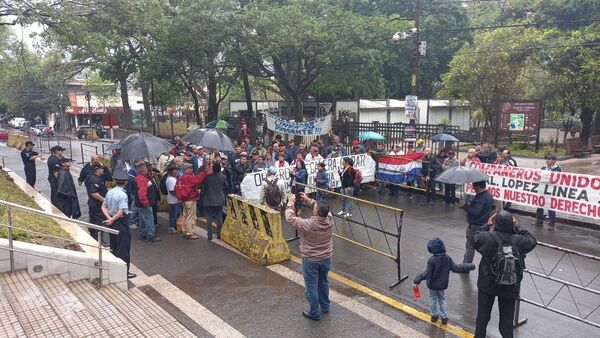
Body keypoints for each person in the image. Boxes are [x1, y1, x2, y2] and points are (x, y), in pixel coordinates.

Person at [473, 210, 537, 338]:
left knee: (483, 317)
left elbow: (475, 238)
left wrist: (487, 224)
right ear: (511, 224)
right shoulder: (519, 240)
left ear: (495, 223)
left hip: (487, 283)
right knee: (506, 321)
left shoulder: (487, 238)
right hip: (510, 284)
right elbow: (532, 241)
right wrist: (518, 226)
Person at [284, 192, 334, 321]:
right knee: (323, 282)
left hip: (311, 259)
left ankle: (314, 312)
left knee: (311, 286)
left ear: (316, 213)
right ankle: (325, 306)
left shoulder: (308, 224)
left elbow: (290, 218)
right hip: (326, 257)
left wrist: (290, 202)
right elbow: (318, 205)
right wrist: (308, 200)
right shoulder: (329, 218)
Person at [413, 237, 475, 325]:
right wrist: (469, 266)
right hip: (442, 285)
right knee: (442, 300)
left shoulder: (432, 260)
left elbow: (427, 274)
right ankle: (444, 317)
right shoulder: (447, 258)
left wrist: (418, 279)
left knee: (433, 299)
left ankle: (434, 316)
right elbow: (456, 268)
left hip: (432, 285)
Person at [102, 164, 136, 279]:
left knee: (114, 246)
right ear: (125, 182)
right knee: (124, 249)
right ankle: (124, 272)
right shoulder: (123, 195)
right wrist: (112, 219)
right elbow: (122, 212)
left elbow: (104, 207)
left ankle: (114, 268)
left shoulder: (110, 192)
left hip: (112, 222)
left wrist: (109, 218)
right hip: (121, 223)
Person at [463, 180, 494, 263]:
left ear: (478, 187)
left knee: (470, 247)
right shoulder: (488, 195)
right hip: (484, 225)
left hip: (475, 226)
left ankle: (466, 265)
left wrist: (464, 206)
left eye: (474, 187)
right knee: (484, 247)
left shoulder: (481, 197)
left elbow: (475, 212)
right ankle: (488, 264)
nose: (473, 189)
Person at [177, 163, 210, 239]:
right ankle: (189, 233)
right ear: (186, 169)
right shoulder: (188, 177)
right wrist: (204, 172)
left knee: (185, 215)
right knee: (191, 216)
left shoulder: (181, 177)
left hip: (184, 199)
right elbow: (197, 180)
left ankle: (185, 231)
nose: (192, 169)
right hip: (190, 199)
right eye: (190, 168)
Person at [134, 163, 161, 242]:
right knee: (149, 219)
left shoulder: (141, 177)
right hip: (144, 203)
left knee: (143, 218)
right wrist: (146, 203)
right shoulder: (142, 179)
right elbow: (142, 193)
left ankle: (142, 233)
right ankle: (151, 235)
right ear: (143, 170)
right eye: (146, 167)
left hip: (141, 203)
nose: (148, 168)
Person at [533, 155, 561, 230]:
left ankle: (551, 224)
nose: (547, 161)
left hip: (550, 191)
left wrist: (544, 178)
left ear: (554, 161)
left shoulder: (557, 169)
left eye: (549, 159)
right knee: (540, 205)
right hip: (542, 189)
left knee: (550, 207)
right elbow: (538, 176)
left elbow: (553, 179)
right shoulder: (543, 168)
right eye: (547, 159)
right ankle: (539, 220)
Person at [85, 162, 108, 241]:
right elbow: (94, 193)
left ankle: (93, 237)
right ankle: (99, 240)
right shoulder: (96, 179)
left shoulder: (89, 177)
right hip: (97, 204)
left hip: (92, 203)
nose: (103, 170)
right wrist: (104, 201)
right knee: (99, 222)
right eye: (102, 168)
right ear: (97, 170)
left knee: (93, 220)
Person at [203, 162, 226, 240]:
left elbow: (203, 188)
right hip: (219, 199)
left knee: (209, 217)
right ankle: (219, 233)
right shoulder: (223, 177)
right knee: (219, 217)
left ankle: (210, 234)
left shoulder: (207, 177)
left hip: (209, 199)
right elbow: (226, 186)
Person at [165, 166, 181, 234]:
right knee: (173, 214)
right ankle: (171, 228)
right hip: (173, 200)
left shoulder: (172, 178)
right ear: (171, 172)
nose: (177, 172)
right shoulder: (171, 180)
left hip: (175, 200)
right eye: (175, 171)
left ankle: (174, 226)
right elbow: (172, 190)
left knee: (175, 214)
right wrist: (179, 195)